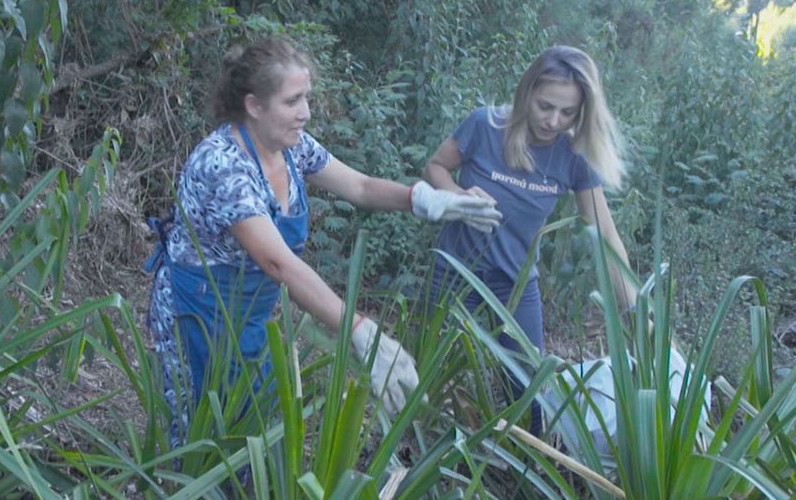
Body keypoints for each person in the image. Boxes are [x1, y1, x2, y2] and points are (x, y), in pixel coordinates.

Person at [144, 36, 503, 447]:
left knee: (255, 432)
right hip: (199, 314)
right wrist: (361, 330)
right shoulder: (223, 166)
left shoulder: (292, 147)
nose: (306, 113)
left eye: (307, 98)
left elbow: (362, 187)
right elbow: (279, 264)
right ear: (254, 105)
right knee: (204, 438)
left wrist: (423, 198)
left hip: (250, 313)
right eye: (293, 101)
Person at [423, 45, 639, 436]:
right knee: (425, 368)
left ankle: (524, 464)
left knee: (527, 386)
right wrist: (456, 195)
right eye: (545, 106)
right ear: (526, 92)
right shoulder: (484, 126)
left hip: (516, 282)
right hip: (455, 270)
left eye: (568, 112)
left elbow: (605, 235)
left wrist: (637, 313)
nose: (553, 120)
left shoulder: (573, 155)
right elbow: (435, 167)